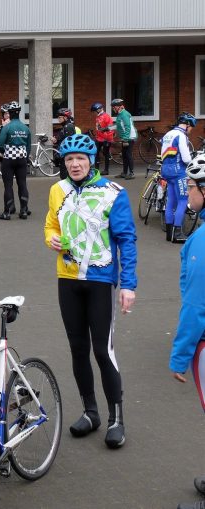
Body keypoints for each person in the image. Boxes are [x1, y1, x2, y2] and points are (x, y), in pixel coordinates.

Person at [44, 133, 137, 449]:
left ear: (92, 160)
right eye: (69, 159)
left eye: (80, 159)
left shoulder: (114, 193)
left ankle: (116, 419)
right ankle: (91, 412)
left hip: (100, 280)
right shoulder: (58, 190)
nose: (74, 164)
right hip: (67, 279)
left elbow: (127, 239)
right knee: (77, 348)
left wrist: (128, 285)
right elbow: (51, 226)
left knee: (102, 349)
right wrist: (50, 239)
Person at [170, 154, 205, 509]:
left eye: (192, 186)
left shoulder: (201, 242)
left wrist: (179, 358)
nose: (188, 191)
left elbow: (196, 308)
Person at [162, 113, 197, 243]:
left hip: (166, 170)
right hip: (178, 172)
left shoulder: (168, 134)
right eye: (191, 127)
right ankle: (177, 234)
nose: (191, 130)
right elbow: (186, 158)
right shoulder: (181, 136)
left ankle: (169, 234)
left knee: (171, 202)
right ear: (187, 124)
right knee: (183, 201)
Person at [0, 100, 31, 220]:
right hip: (22, 160)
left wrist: (5, 152)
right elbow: (28, 146)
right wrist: (25, 157)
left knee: (8, 185)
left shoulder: (7, 127)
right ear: (19, 113)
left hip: (8, 159)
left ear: (9, 113)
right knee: (22, 184)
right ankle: (24, 211)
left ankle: (7, 212)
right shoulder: (25, 128)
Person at [51, 108, 79, 180]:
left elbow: (68, 143)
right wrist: (56, 140)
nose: (58, 119)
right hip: (65, 156)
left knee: (65, 177)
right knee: (64, 176)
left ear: (65, 117)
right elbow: (63, 139)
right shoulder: (66, 126)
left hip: (66, 155)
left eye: (60, 117)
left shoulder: (68, 127)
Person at [111, 99, 136, 179]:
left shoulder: (124, 114)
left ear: (119, 107)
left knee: (128, 155)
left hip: (129, 137)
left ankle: (132, 173)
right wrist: (107, 129)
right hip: (125, 137)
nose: (113, 109)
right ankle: (124, 173)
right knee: (124, 155)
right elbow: (118, 126)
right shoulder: (120, 114)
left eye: (114, 107)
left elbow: (127, 127)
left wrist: (125, 139)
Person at [90, 102, 114, 176]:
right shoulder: (98, 117)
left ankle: (106, 170)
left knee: (106, 154)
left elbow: (111, 128)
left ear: (99, 109)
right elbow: (98, 128)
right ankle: (96, 170)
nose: (94, 113)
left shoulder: (106, 116)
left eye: (94, 111)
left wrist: (108, 139)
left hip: (106, 138)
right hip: (99, 138)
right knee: (96, 153)